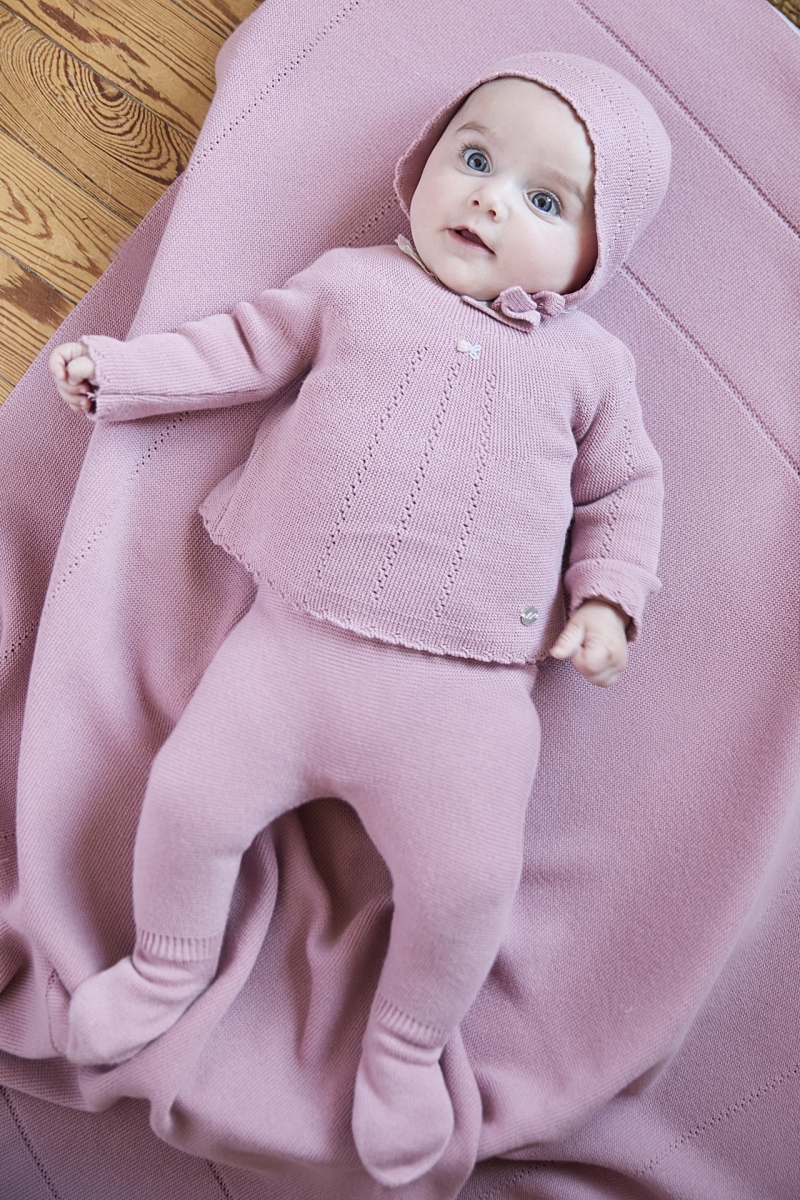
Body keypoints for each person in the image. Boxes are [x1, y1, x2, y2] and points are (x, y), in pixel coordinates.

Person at [48, 53, 670, 1187]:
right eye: (472, 158)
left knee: (466, 888)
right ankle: (165, 964)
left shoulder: (591, 368)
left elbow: (624, 490)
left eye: (543, 199)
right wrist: (125, 374)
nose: (488, 200)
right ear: (423, 163)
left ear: (599, 249)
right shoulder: (351, 286)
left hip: (467, 703)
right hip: (289, 652)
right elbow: (238, 346)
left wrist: (607, 600)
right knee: (188, 800)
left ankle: (407, 1046)